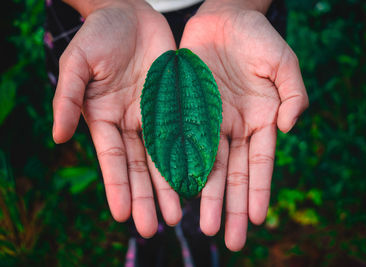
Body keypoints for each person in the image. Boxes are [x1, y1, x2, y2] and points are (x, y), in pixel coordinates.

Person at [46, 0, 308, 262]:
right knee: (116, 138)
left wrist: (243, 5)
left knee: (206, 169)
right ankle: (146, 235)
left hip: (225, 24)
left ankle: (195, 235)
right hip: (108, 26)